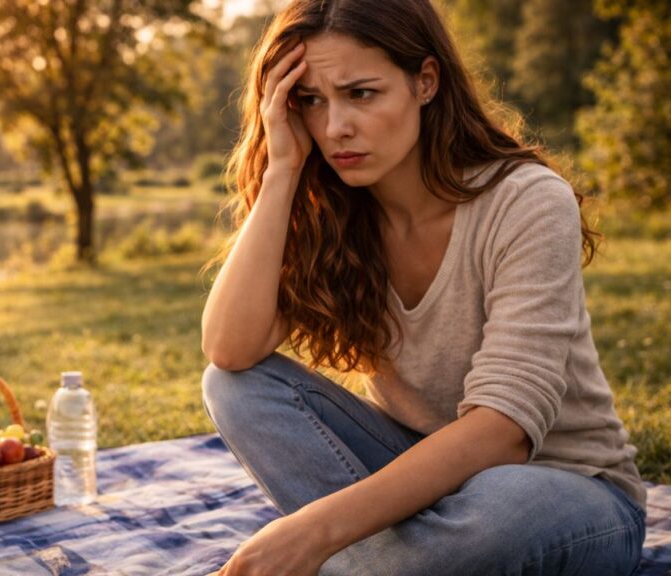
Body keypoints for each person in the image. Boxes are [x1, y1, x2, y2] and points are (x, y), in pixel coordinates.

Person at [199, 0, 647, 574]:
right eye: (310, 101)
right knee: (236, 386)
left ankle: (358, 562)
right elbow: (230, 349)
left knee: (495, 510)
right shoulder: (334, 211)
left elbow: (503, 432)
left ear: (425, 82)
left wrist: (313, 533)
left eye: (361, 93)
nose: (335, 127)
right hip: (415, 473)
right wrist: (283, 170)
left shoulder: (525, 201)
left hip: (561, 490)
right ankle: (391, 561)